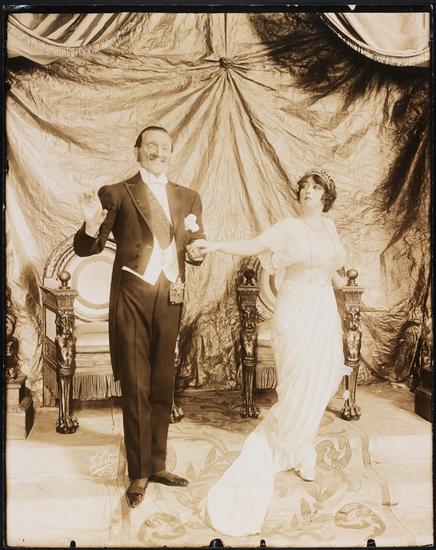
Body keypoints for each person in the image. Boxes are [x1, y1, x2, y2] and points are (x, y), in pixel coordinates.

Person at [194, 168, 348, 536]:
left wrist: (343, 283)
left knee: (321, 377)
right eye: (305, 187)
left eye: (316, 187)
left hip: (323, 309)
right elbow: (253, 245)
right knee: (296, 381)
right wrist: (214, 246)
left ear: (326, 196)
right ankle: (297, 447)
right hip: (295, 310)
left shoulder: (330, 227)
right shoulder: (288, 228)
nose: (308, 191)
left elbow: (331, 268)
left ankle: (301, 444)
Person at [73, 125, 205, 508]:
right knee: (135, 385)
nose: (158, 152)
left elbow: (196, 245)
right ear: (137, 151)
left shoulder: (188, 197)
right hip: (131, 297)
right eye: (151, 146)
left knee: (163, 383)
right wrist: (91, 224)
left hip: (171, 297)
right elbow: (85, 249)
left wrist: (197, 251)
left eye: (165, 147)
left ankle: (158, 464)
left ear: (172, 153)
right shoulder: (116, 193)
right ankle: (139, 473)